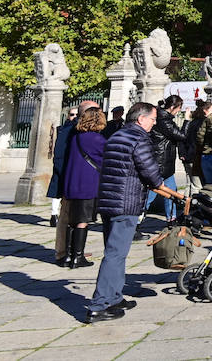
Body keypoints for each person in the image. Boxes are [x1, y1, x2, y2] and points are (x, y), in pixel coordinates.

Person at [86, 102, 180, 323]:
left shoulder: (117, 135)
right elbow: (151, 174)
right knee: (115, 254)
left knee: (116, 252)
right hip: (125, 203)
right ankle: (98, 305)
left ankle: (114, 297)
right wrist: (170, 192)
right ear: (141, 119)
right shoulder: (139, 139)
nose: (154, 123)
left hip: (109, 201)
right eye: (153, 119)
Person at [62, 105, 108, 269]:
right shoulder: (98, 139)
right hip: (88, 183)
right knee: (82, 220)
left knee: (72, 220)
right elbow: (105, 160)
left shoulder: (76, 137)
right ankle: (78, 256)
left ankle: (68, 254)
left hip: (72, 181)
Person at [147, 94, 188, 222]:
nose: (179, 111)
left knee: (171, 194)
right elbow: (181, 135)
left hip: (166, 163)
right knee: (152, 194)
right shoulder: (163, 120)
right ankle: (136, 220)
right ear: (172, 107)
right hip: (160, 163)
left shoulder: (165, 118)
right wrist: (186, 120)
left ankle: (172, 219)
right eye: (178, 108)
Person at [49, 105, 78, 228]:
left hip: (70, 161)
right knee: (58, 188)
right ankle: (54, 214)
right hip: (62, 161)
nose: (74, 117)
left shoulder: (75, 129)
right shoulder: (64, 129)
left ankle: (60, 214)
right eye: (72, 115)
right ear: (68, 116)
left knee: (62, 188)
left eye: (77, 115)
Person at [184, 101, 212, 186]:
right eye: (211, 109)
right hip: (197, 157)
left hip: (189, 156)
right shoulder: (204, 123)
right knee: (197, 185)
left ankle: (187, 199)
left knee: (190, 184)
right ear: (205, 110)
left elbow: (184, 138)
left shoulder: (192, 122)